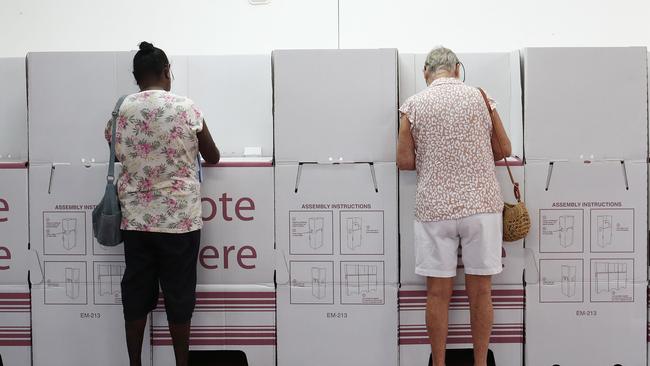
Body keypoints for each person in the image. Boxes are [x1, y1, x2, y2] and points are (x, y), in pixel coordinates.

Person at [104, 41, 220, 366]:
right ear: (168, 72)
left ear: (136, 77)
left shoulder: (121, 110)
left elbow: (114, 148)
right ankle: (182, 363)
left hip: (137, 222)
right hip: (179, 222)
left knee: (137, 294)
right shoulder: (186, 108)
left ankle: (135, 363)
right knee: (179, 295)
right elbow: (213, 156)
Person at [397, 46, 511, 366]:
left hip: (435, 209)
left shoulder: (413, 106)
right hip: (482, 206)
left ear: (425, 73)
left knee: (437, 294)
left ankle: (439, 362)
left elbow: (404, 161)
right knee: (481, 292)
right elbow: (503, 148)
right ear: (457, 70)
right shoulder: (481, 97)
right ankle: (478, 362)